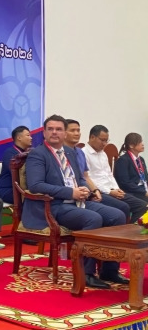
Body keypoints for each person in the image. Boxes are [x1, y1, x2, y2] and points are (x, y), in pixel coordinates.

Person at [24, 115, 128, 288]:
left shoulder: (70, 152)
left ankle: (109, 270)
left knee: (117, 215)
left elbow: (79, 178)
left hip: (77, 201)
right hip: (54, 205)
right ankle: (85, 273)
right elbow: (35, 185)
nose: (54, 132)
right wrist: (70, 192)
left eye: (58, 129)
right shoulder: (38, 154)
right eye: (50, 129)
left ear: (64, 133)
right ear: (44, 132)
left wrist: (84, 188)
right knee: (93, 219)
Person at [64, 120, 131, 221]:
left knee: (123, 211)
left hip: (89, 193)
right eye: (72, 130)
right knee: (115, 213)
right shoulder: (79, 152)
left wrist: (95, 191)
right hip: (71, 197)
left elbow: (85, 176)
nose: (77, 133)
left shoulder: (79, 153)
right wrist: (104, 191)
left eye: (78, 130)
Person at [82, 125, 145, 223]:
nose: (104, 143)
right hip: (99, 192)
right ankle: (121, 234)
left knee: (141, 205)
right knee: (123, 207)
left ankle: (132, 230)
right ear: (92, 137)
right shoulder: (83, 153)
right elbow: (88, 178)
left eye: (106, 140)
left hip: (112, 190)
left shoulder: (102, 154)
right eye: (102, 140)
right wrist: (109, 191)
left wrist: (116, 189)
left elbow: (109, 174)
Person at [0, 126, 33, 204]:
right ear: (19, 137)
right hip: (8, 190)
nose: (31, 138)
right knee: (34, 199)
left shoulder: (31, 152)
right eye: (28, 135)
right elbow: (16, 172)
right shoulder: (10, 153)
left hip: (24, 188)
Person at [114, 133, 148, 203]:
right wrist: (144, 192)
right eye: (139, 142)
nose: (142, 144)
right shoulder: (123, 160)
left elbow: (145, 177)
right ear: (131, 145)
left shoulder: (141, 159)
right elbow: (125, 183)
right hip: (133, 192)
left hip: (143, 189)